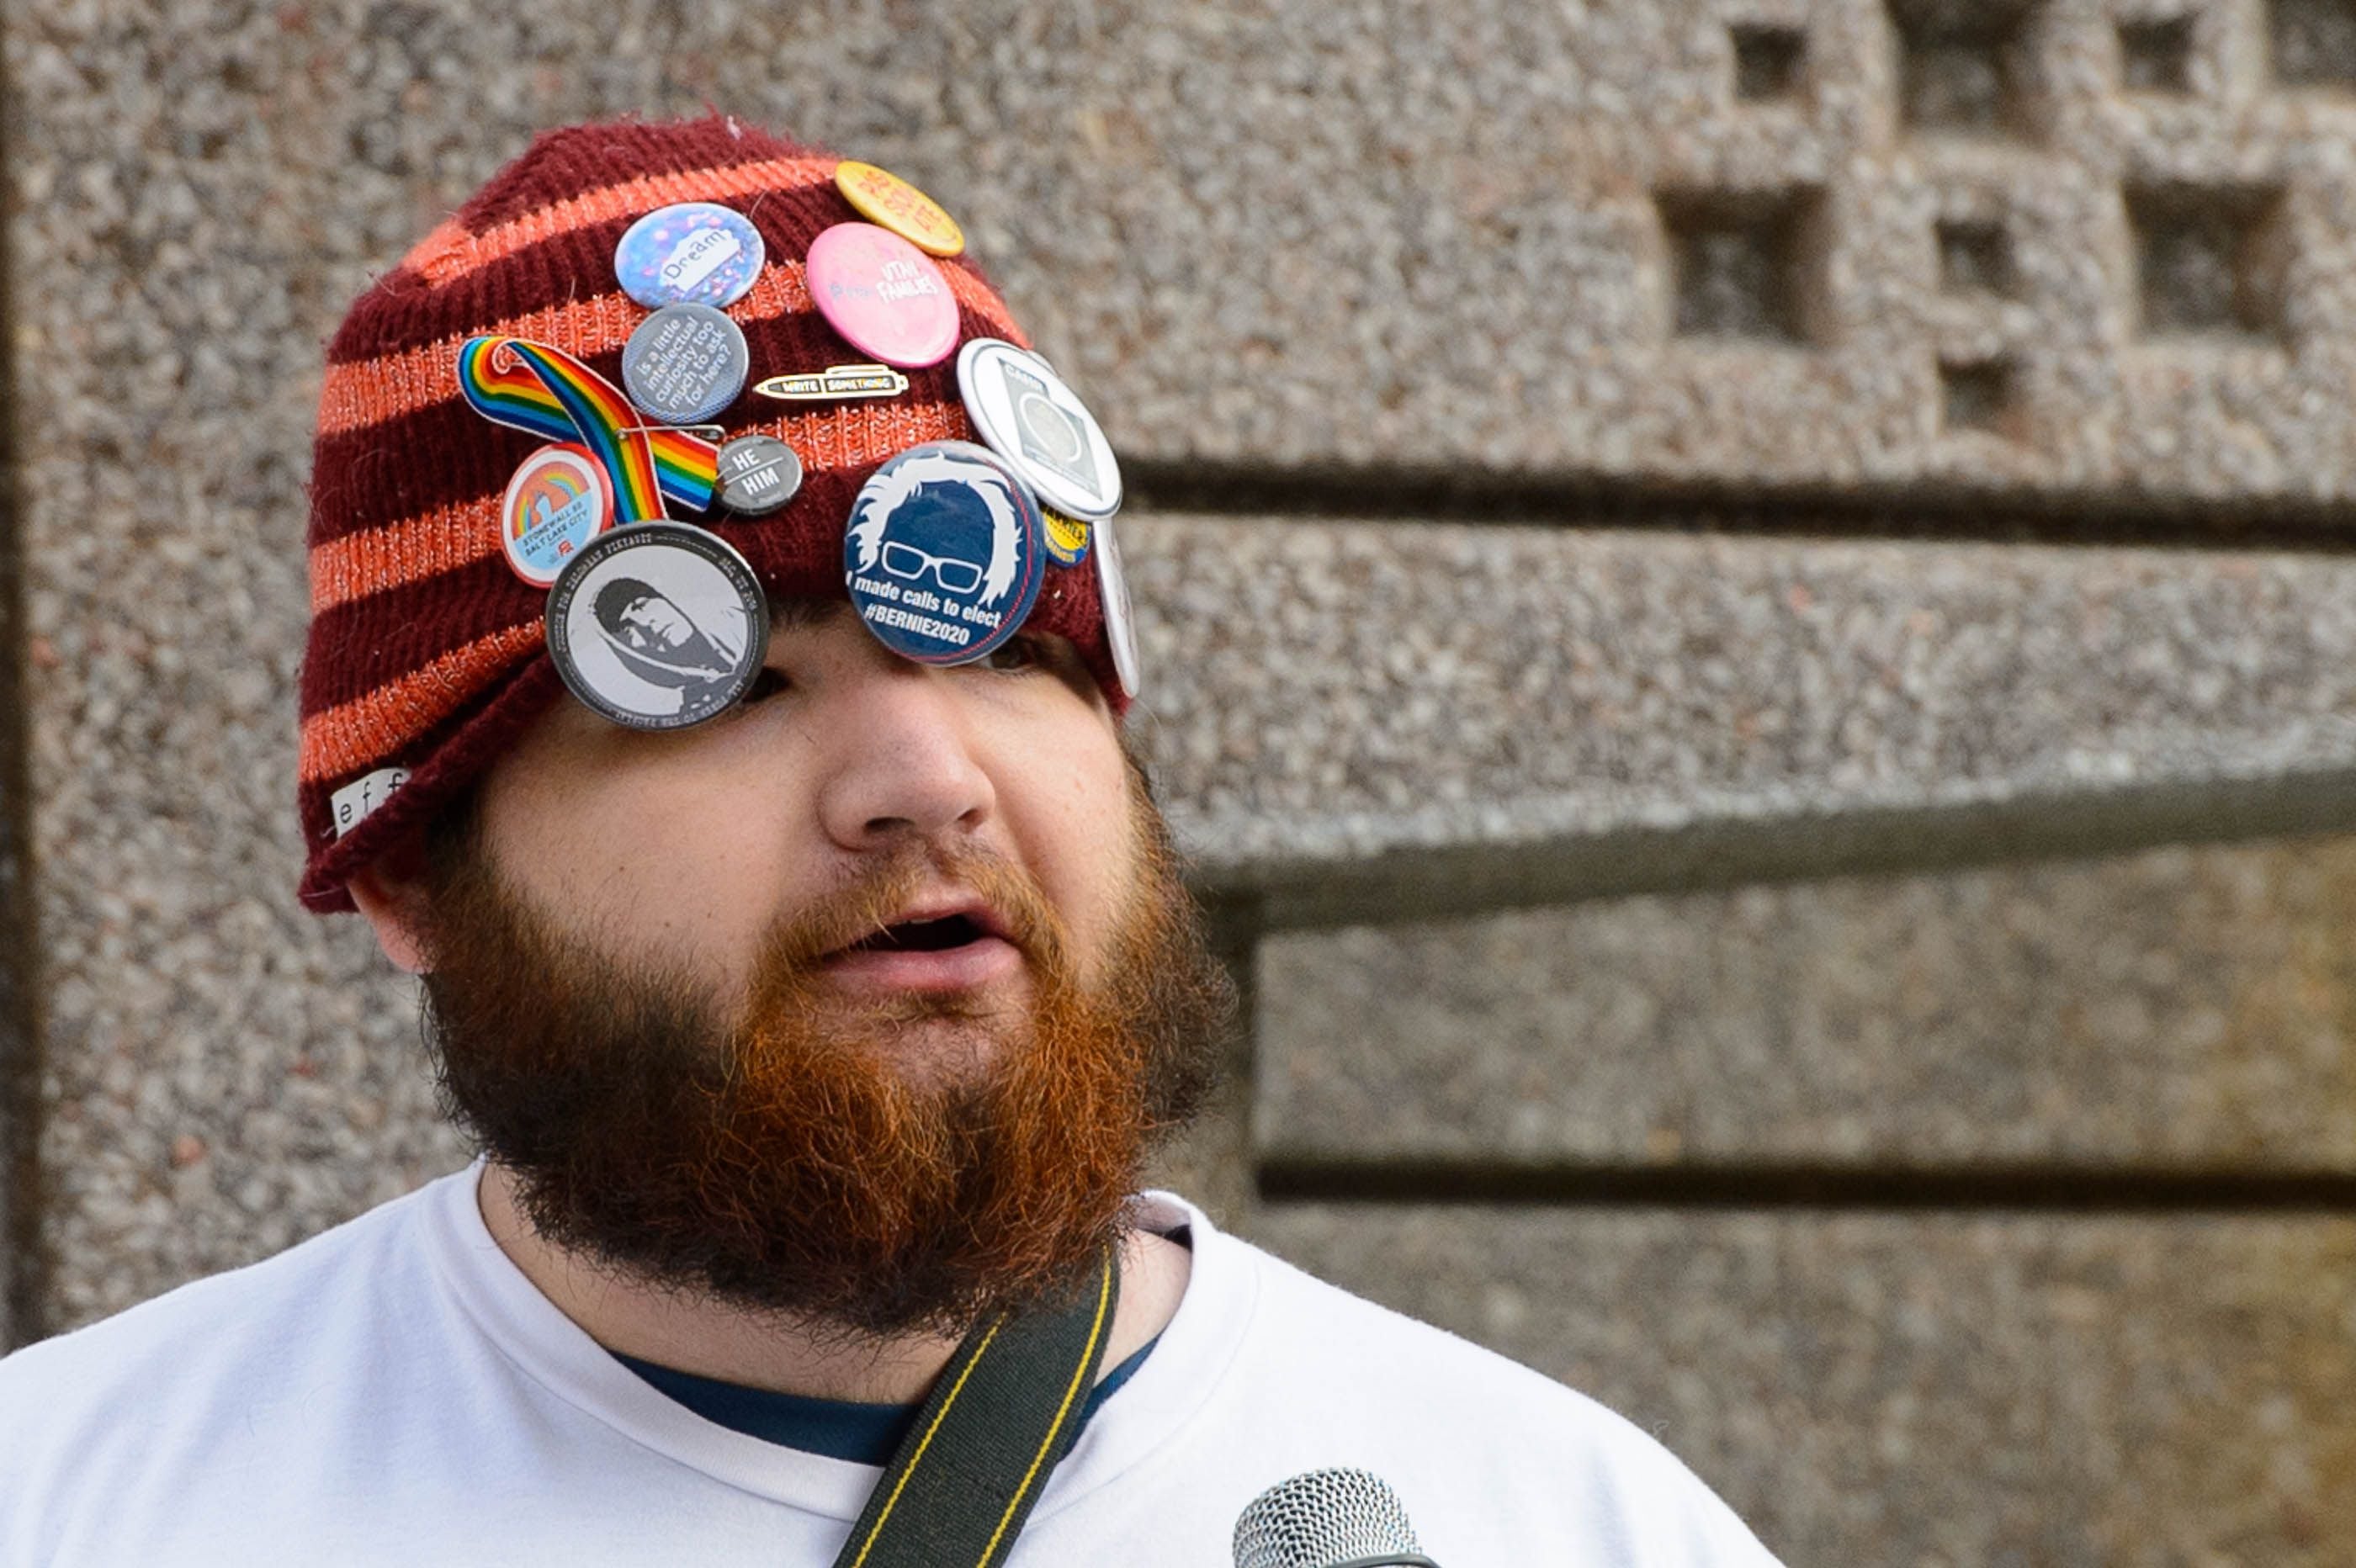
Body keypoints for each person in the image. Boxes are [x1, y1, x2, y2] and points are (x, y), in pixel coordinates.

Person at [0, 117, 1782, 1565]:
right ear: (408, 870)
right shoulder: (86, 1497)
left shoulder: (1553, 1518)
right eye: (718, 687)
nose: (923, 779)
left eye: (1002, 646)